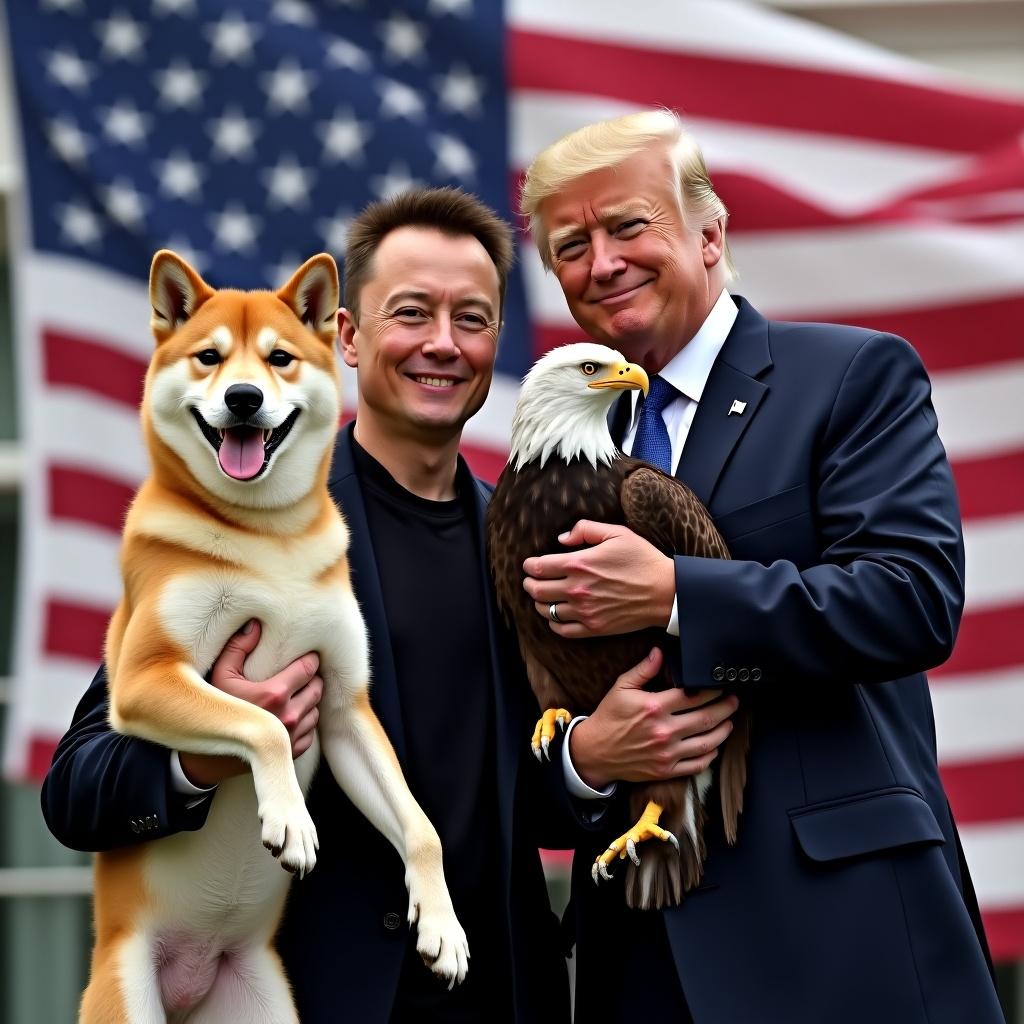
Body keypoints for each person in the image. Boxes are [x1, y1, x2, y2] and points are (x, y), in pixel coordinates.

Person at [44, 187, 577, 1023]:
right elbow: (78, 789)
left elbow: (539, 796)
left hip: (501, 992)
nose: (443, 342)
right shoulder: (236, 523)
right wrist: (202, 757)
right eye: (412, 312)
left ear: (496, 343)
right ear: (348, 337)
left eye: (471, 319)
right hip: (303, 995)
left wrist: (588, 765)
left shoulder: (530, 544)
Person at [518, 111, 1004, 1024]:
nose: (601, 262)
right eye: (570, 245)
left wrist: (677, 596)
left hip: (837, 934)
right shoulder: (554, 466)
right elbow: (529, 717)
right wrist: (583, 760)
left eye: (628, 225)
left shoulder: (848, 376)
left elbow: (912, 600)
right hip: (641, 959)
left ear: (709, 233)